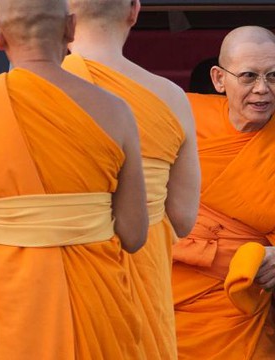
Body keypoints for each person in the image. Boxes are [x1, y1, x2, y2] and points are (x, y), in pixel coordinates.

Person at [0, 0, 149, 359]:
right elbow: (134, 235)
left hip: (3, 303)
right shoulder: (115, 112)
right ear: (70, 28)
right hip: (95, 300)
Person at [171, 25, 275, 360]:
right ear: (219, 79)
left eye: (274, 76)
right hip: (158, 290)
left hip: (235, 307)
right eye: (248, 76)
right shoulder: (182, 117)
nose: (262, 90)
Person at [62, 0, 200, 358]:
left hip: (60, 279)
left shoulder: (34, 91)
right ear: (134, 11)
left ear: (64, 14)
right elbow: (184, 219)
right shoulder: (170, 97)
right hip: (141, 281)